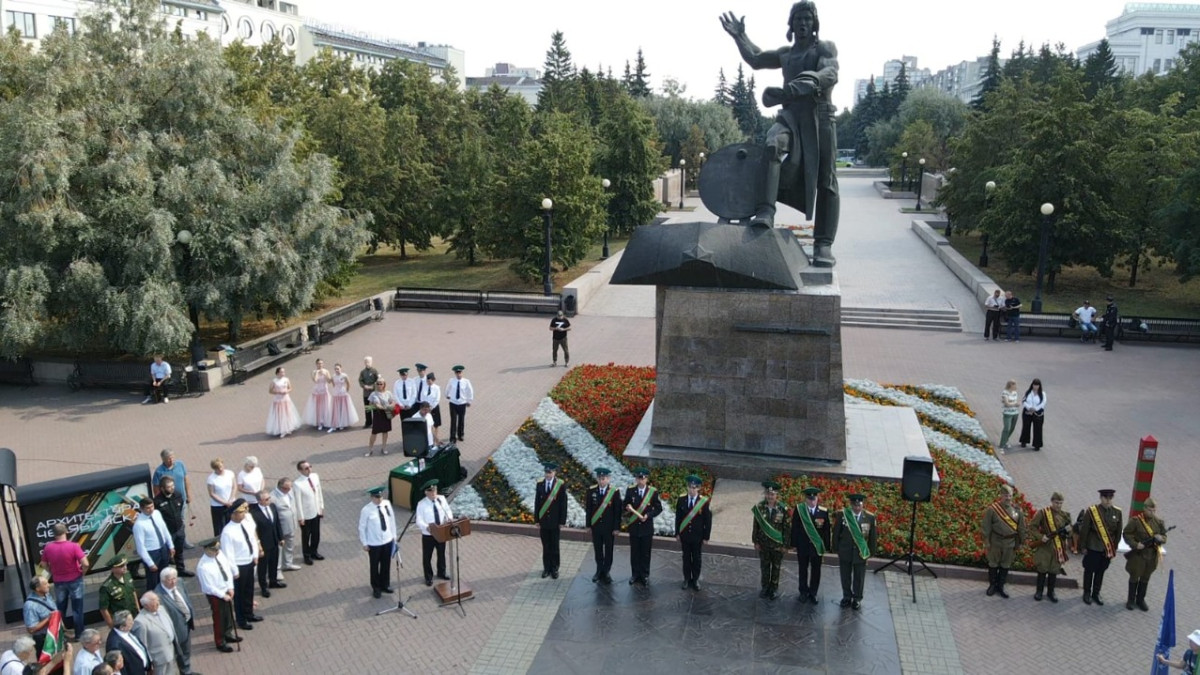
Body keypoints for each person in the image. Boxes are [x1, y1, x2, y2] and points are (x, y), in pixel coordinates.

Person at [720, 2, 840, 267]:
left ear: (814, 23)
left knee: (827, 180)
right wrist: (740, 36)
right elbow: (756, 57)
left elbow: (830, 72)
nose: (803, 23)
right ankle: (765, 212)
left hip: (819, 117)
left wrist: (807, 82)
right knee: (773, 145)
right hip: (790, 116)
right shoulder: (786, 54)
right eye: (798, 18)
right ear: (791, 24)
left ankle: (823, 244)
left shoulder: (824, 48)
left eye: (807, 18)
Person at [41, 523, 89, 641]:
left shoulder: (48, 547)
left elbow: (43, 564)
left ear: (53, 533)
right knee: (77, 609)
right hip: (75, 579)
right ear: (66, 532)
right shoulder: (74, 546)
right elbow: (86, 563)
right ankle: (79, 635)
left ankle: (60, 635)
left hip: (58, 581)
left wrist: (51, 571)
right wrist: (82, 573)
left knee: (60, 609)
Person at [1075, 488, 1123, 606]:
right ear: (1101, 498)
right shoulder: (1092, 511)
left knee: (1101, 571)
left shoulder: (1117, 512)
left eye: (1110, 498)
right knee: (1089, 570)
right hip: (1093, 546)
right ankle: (1087, 592)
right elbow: (1085, 530)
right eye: (1105, 498)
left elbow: (1118, 532)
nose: (1108, 500)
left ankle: (1096, 593)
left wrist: (1114, 548)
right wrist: (1083, 546)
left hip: (1107, 549)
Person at [219, 500, 262, 630]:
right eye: (242, 512)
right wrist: (235, 571)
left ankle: (249, 613)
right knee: (239, 594)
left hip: (249, 561)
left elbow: (252, 539)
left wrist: (255, 555)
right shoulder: (227, 532)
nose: (245, 514)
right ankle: (241, 619)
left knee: (249, 590)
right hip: (239, 565)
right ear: (234, 514)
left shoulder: (245, 524)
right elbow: (228, 554)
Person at [194, 538, 239, 653]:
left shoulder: (220, 555)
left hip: (226, 589)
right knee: (219, 618)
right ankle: (220, 641)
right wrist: (222, 595)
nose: (217, 551)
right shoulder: (203, 566)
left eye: (218, 549)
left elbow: (227, 571)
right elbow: (208, 586)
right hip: (215, 595)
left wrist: (230, 587)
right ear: (207, 550)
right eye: (214, 550)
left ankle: (228, 634)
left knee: (228, 614)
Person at [832, 493, 877, 610]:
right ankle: (846, 596)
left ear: (862, 505)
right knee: (845, 576)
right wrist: (836, 548)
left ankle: (857, 598)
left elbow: (872, 536)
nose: (857, 508)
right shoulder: (842, 515)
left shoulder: (869, 517)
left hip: (861, 553)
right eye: (855, 505)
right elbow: (836, 533)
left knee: (859, 577)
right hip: (845, 551)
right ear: (851, 505)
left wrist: (871, 551)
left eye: (859, 505)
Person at [981, 484, 1026, 599]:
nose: (1008, 498)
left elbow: (1021, 528)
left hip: (1009, 543)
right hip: (995, 541)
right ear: (1001, 495)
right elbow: (986, 526)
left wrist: (1021, 542)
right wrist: (986, 541)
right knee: (993, 563)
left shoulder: (1017, 511)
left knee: (1005, 565)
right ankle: (992, 586)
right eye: (1006, 495)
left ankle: (1000, 587)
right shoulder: (993, 509)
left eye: (1010, 495)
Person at [1123, 497, 1168, 612]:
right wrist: (1135, 544)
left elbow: (1164, 537)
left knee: (1145, 578)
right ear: (1144, 508)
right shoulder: (1136, 521)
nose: (1152, 513)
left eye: (1154, 510)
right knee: (1134, 577)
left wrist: (1160, 539)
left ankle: (1140, 599)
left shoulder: (1159, 522)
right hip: (1138, 556)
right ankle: (1131, 600)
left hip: (1151, 556)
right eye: (1149, 510)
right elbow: (1127, 534)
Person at [623, 467, 663, 587]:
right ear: (636, 479)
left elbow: (658, 508)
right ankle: (635, 574)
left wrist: (649, 515)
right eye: (638, 478)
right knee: (635, 552)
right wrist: (627, 507)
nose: (640, 480)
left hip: (646, 528)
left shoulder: (652, 492)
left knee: (645, 552)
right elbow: (625, 505)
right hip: (634, 527)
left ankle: (645, 575)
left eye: (642, 478)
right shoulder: (630, 491)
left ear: (646, 479)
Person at [790, 486, 830, 604]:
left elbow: (826, 530)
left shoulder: (823, 511)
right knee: (803, 569)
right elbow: (795, 527)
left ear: (817, 499)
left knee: (816, 570)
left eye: (814, 499)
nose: (812, 501)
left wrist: (827, 546)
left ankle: (813, 592)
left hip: (816, 547)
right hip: (803, 545)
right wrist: (794, 544)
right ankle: (803, 592)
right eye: (809, 499)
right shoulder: (800, 509)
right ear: (806, 499)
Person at [1030, 492, 1071, 602]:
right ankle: (1039, 591)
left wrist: (1068, 532)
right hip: (1045, 546)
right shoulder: (1043, 513)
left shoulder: (1065, 515)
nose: (1058, 505)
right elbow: (1032, 526)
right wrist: (1040, 536)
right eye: (1056, 503)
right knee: (1042, 569)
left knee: (1054, 570)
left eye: (1060, 503)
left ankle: (1051, 592)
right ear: (1052, 501)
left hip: (1058, 547)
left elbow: (1070, 533)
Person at [751, 481, 789, 600]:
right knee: (765, 566)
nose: (770, 497)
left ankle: (773, 589)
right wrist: (755, 541)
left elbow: (786, 528)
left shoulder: (783, 509)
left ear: (777, 495)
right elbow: (756, 526)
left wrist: (785, 545)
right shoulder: (759, 508)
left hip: (777, 545)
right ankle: (765, 587)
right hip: (764, 544)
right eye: (768, 494)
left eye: (772, 494)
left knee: (776, 567)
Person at [358, 486, 398, 599]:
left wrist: (394, 537)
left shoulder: (387, 504)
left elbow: (392, 521)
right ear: (372, 497)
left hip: (387, 540)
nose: (379, 499)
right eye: (377, 497)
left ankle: (385, 584)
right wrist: (364, 543)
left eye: (380, 497)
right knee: (374, 566)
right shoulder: (366, 510)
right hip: (374, 543)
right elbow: (362, 527)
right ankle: (376, 587)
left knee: (386, 564)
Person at [585, 467, 622, 584]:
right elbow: (589, 509)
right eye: (600, 478)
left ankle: (606, 572)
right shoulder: (591, 491)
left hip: (609, 528)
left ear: (608, 479)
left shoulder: (614, 492)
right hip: (596, 527)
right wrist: (588, 525)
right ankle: (599, 570)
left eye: (604, 478)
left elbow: (617, 511)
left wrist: (616, 527)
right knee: (598, 549)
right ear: (597, 479)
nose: (601, 481)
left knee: (609, 550)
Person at [155, 568, 196, 675]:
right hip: (174, 629)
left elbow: (186, 596)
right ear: (163, 580)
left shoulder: (180, 582)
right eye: (170, 580)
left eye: (174, 578)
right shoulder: (158, 595)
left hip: (186, 623)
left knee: (186, 650)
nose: (174, 582)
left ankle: (186, 671)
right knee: (177, 653)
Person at [674, 475, 712, 591]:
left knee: (696, 558)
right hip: (685, 535)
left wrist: (706, 537)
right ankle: (686, 579)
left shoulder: (703, 502)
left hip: (697, 536)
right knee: (686, 557)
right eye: (690, 487)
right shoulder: (681, 500)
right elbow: (678, 518)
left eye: (694, 488)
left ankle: (695, 579)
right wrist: (677, 533)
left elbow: (708, 521)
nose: (691, 490)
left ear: (698, 488)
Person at [414, 480, 453, 587]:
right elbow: (419, 520)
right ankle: (428, 577)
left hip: (441, 531)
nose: (433, 493)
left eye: (435, 490)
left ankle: (441, 572)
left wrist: (449, 518)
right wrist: (426, 527)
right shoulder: (421, 504)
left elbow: (447, 510)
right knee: (427, 557)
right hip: (429, 535)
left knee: (441, 554)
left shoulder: (441, 499)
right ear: (426, 492)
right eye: (431, 491)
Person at [151, 449, 193, 547]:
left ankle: (183, 541)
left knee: (181, 520)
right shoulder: (159, 471)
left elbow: (186, 479)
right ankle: (170, 544)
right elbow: (156, 489)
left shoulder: (180, 464)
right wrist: (160, 502)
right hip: (167, 503)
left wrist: (188, 494)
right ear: (163, 459)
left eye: (172, 457)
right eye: (168, 459)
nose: (171, 460)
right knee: (169, 523)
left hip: (180, 499)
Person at [132, 498, 175, 593]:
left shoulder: (157, 513)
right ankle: (153, 597)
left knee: (164, 574)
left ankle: (165, 594)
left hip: (163, 548)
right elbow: (140, 547)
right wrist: (150, 563)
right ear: (141, 509)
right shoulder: (139, 525)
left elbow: (164, 529)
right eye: (148, 508)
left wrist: (170, 545)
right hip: (152, 552)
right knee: (153, 580)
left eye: (152, 506)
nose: (151, 509)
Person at [534, 463, 569, 579]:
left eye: (550, 472)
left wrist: (562, 521)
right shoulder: (540, 484)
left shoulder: (560, 485)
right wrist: (537, 519)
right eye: (546, 472)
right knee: (546, 546)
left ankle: (554, 568)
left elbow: (563, 504)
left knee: (554, 546)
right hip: (544, 521)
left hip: (555, 521)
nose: (548, 475)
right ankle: (546, 568)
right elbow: (537, 503)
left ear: (554, 473)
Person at [132, 592, 179, 675]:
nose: (157, 602)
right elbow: (143, 645)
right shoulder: (140, 622)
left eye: (157, 599)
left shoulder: (161, 609)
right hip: (158, 661)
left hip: (171, 653)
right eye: (153, 601)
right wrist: (149, 664)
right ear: (146, 605)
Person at [153, 477, 191, 578]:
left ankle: (181, 570)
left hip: (179, 529)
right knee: (166, 555)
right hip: (167, 533)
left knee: (179, 551)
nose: (172, 488)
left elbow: (180, 508)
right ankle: (166, 575)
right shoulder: (157, 501)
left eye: (173, 485)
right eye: (169, 487)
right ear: (162, 488)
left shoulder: (178, 495)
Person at [250, 490, 284, 597]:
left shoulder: (272, 507)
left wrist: (281, 537)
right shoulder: (253, 513)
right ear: (259, 501)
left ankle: (273, 581)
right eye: (266, 499)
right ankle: (263, 587)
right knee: (263, 568)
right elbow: (254, 532)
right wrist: (258, 546)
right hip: (264, 545)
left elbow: (277, 523)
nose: (269, 500)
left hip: (274, 541)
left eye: (269, 498)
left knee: (274, 563)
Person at [293, 460, 325, 565]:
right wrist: (300, 517)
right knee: (306, 536)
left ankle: (314, 552)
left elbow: (319, 492)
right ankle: (306, 555)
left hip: (316, 511)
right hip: (306, 515)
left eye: (310, 466)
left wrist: (321, 507)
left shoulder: (315, 476)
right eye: (306, 468)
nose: (309, 469)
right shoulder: (297, 484)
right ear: (300, 470)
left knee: (316, 534)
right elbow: (298, 502)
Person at [271, 478, 302, 574]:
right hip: (281, 528)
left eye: (290, 487)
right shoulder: (273, 498)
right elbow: (272, 516)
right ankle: (277, 569)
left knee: (289, 546)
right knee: (279, 549)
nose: (290, 489)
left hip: (291, 525)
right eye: (287, 488)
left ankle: (288, 564)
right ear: (281, 487)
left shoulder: (290, 492)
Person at [98, 555, 138, 628]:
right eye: (121, 566)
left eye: (125, 564)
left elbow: (133, 592)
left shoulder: (127, 575)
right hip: (122, 622)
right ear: (113, 569)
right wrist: (111, 626)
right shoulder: (107, 587)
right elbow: (103, 609)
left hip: (134, 615)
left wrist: (138, 610)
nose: (125, 567)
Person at [105, 610, 149, 675]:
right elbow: (119, 667)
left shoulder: (127, 631)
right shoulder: (114, 644)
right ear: (122, 627)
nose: (133, 623)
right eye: (130, 622)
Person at [22, 576, 55, 656]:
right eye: (45, 584)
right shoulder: (30, 606)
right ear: (37, 588)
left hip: (54, 633)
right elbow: (31, 629)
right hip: (43, 639)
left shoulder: (46, 594)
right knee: (46, 661)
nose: (48, 585)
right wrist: (48, 618)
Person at [265, 367, 302, 438]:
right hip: (278, 400)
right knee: (280, 414)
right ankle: (281, 429)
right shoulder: (274, 381)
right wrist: (278, 392)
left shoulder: (286, 379)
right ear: (278, 373)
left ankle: (288, 427)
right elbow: (270, 391)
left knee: (287, 413)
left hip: (286, 399)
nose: (283, 373)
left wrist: (286, 391)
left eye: (284, 372)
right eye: (281, 372)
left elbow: (290, 388)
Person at [366, 379, 398, 456]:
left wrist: (390, 406)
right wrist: (375, 405)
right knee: (374, 432)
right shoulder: (373, 394)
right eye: (378, 384)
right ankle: (370, 449)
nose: (379, 385)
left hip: (386, 414)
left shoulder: (388, 393)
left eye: (381, 384)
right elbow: (369, 404)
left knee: (385, 431)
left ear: (384, 385)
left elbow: (393, 402)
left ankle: (384, 448)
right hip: (378, 414)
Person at [205, 458, 236, 537]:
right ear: (214, 469)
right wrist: (225, 502)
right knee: (219, 528)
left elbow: (234, 487)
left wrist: (231, 499)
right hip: (218, 506)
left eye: (221, 466)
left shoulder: (230, 473)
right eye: (218, 468)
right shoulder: (211, 479)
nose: (220, 469)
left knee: (232, 525)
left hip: (231, 503)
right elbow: (212, 493)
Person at [302, 359, 333, 431]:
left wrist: (324, 374)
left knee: (326, 406)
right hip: (317, 391)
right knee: (318, 407)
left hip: (324, 390)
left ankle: (326, 421)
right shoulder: (313, 372)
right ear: (316, 364)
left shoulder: (326, 371)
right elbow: (315, 380)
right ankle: (319, 422)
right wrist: (317, 373)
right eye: (319, 363)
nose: (320, 365)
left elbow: (329, 381)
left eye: (321, 363)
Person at [328, 363, 359, 432]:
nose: (336, 370)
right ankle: (337, 422)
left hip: (343, 393)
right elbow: (332, 383)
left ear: (341, 368)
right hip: (336, 394)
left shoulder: (344, 376)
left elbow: (348, 384)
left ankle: (342, 423)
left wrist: (346, 391)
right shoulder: (333, 376)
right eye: (335, 369)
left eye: (338, 369)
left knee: (343, 408)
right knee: (336, 408)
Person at [446, 365, 474, 443]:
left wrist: (469, 401)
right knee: (453, 421)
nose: (458, 374)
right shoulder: (451, 381)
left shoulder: (466, 381)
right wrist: (447, 394)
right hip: (453, 403)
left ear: (462, 373)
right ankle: (452, 437)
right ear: (455, 373)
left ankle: (460, 435)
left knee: (461, 420)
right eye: (457, 373)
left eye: (460, 372)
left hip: (462, 403)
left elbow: (470, 391)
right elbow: (448, 388)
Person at [1018, 378, 1046, 450]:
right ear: (1032, 385)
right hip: (1028, 412)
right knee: (1026, 427)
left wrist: (1035, 409)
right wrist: (1029, 408)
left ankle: (1037, 445)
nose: (1035, 387)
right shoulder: (1028, 392)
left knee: (1038, 429)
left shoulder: (1042, 394)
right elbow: (1024, 401)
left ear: (1039, 386)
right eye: (1034, 385)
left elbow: (1043, 403)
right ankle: (1024, 441)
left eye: (1037, 385)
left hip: (1038, 413)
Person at [997, 379, 1020, 453]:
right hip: (1007, 413)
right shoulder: (1005, 392)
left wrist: (1012, 403)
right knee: (1007, 428)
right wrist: (1014, 404)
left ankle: (1006, 440)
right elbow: (1006, 404)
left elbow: (1012, 402)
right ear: (1011, 385)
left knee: (1012, 428)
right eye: (1014, 384)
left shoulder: (1015, 393)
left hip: (1015, 412)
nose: (1016, 386)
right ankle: (1001, 445)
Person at [358, 356, 379, 429]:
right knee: (367, 408)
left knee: (374, 408)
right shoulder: (362, 372)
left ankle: (376, 423)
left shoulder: (374, 371)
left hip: (373, 393)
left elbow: (378, 380)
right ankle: (368, 422)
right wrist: (364, 386)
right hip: (366, 393)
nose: (367, 363)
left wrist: (373, 386)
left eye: (369, 362)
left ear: (371, 362)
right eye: (366, 362)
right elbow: (360, 381)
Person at [421, 372, 442, 439]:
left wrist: (431, 407)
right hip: (426, 408)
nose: (428, 382)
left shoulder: (437, 388)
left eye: (429, 381)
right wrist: (425, 407)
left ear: (433, 380)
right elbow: (422, 397)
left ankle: (436, 438)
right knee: (428, 423)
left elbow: (437, 399)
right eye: (427, 381)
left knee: (436, 424)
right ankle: (429, 437)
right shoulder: (424, 387)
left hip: (434, 408)